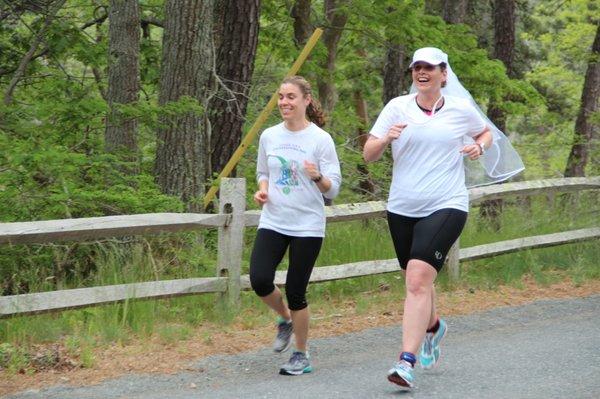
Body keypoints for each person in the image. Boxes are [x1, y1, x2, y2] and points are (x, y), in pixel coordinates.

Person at [363, 47, 523, 389]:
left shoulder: (461, 109)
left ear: (443, 74)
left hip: (447, 203)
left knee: (417, 280)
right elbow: (369, 154)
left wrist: (479, 146)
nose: (422, 72)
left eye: (430, 68)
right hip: (402, 206)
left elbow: (485, 132)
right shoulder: (396, 107)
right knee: (414, 278)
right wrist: (387, 138)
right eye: (417, 67)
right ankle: (433, 325)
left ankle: (406, 362)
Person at [249, 75, 341, 376]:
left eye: (291, 97)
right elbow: (263, 171)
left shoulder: (320, 140)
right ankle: (285, 318)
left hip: (307, 225)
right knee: (259, 279)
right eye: (281, 97)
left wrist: (317, 177)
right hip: (274, 219)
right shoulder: (269, 136)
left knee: (296, 289)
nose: (284, 102)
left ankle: (301, 354)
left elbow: (333, 189)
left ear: (306, 100)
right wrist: (262, 189)